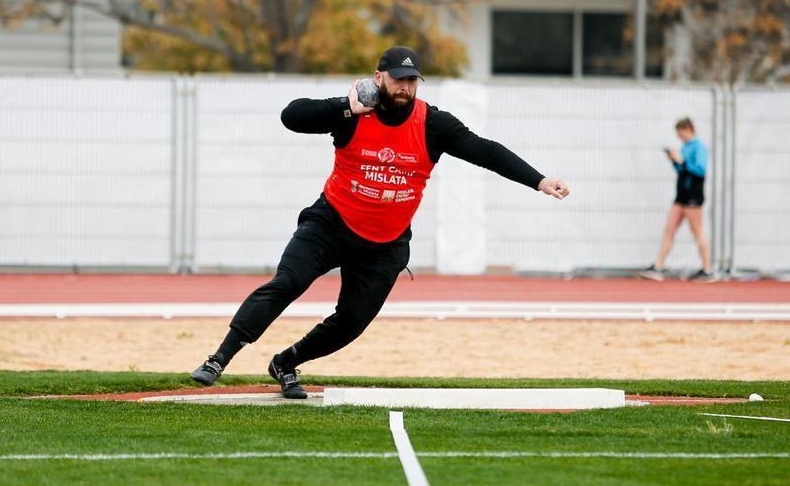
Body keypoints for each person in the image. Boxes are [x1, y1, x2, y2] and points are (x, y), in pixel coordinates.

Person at [190, 46, 570, 398]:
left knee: (353, 321)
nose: (404, 87)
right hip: (330, 225)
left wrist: (538, 180)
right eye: (397, 79)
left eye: (411, 81)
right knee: (287, 283)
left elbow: (484, 151)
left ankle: (286, 362)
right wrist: (346, 108)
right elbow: (292, 116)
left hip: (385, 245)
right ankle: (219, 357)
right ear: (378, 78)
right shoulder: (353, 115)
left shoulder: (432, 124)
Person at [639, 117, 714, 282]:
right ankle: (658, 266)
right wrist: (674, 161)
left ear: (688, 129)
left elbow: (700, 171)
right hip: (681, 196)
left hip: (693, 196)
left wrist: (682, 161)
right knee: (669, 229)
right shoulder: (685, 147)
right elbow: (682, 170)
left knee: (697, 232)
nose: (679, 137)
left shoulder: (699, 147)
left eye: (680, 133)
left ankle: (708, 269)